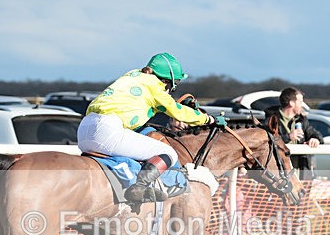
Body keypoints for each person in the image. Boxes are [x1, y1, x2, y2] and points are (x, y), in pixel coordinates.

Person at [79, 53, 223, 203]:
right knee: (168, 153)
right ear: (167, 81)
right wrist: (208, 119)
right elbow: (177, 111)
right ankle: (139, 188)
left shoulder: (133, 74)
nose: (170, 91)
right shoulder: (155, 88)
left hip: (84, 130)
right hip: (107, 131)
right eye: (173, 86)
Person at [263, 87, 323, 180]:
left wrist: (315, 139)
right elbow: (267, 141)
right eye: (300, 102)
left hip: (301, 171)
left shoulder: (302, 120)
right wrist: (288, 137)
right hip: (280, 173)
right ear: (291, 103)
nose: (302, 105)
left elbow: (315, 134)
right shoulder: (271, 120)